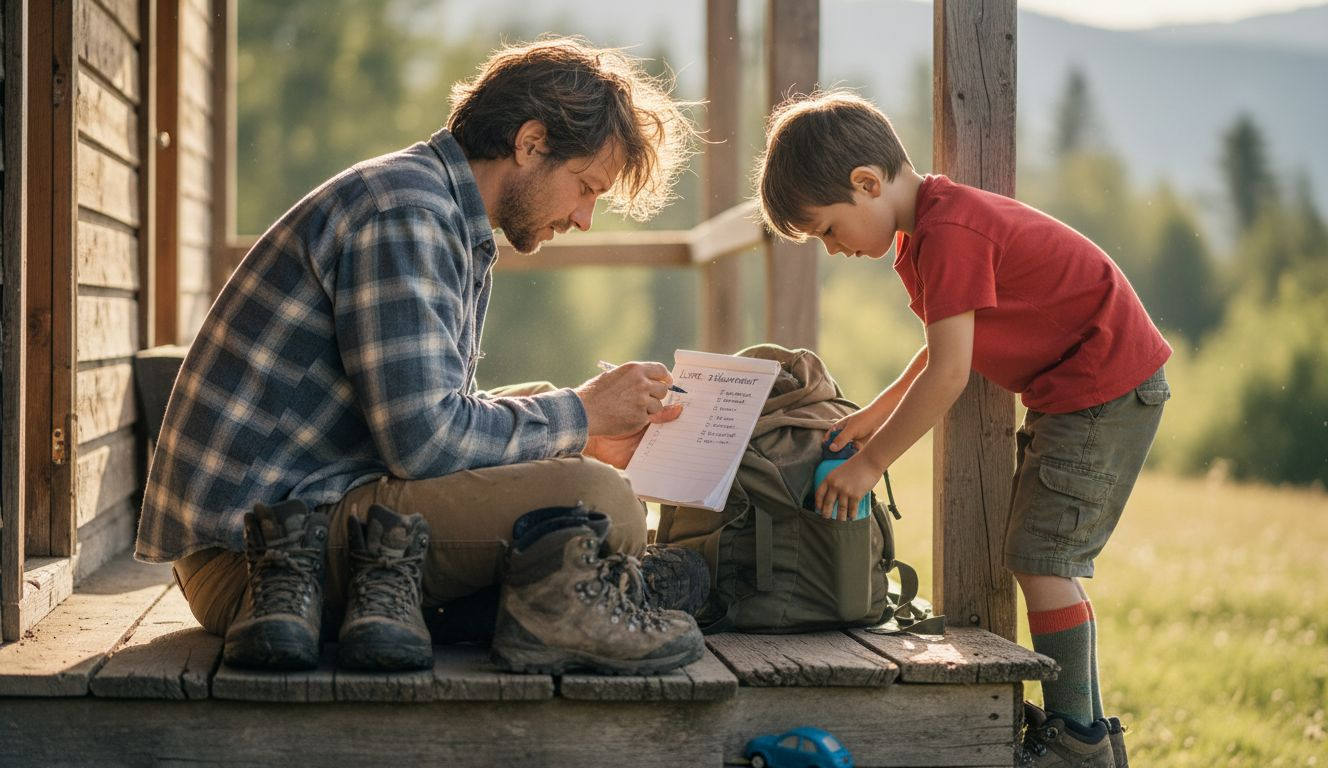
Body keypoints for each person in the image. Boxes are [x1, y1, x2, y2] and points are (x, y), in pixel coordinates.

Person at [136, 37, 708, 676]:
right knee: (605, 503)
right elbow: (424, 444)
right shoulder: (406, 211)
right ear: (529, 143)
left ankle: (527, 607)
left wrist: (579, 433)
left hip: (314, 517)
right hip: (261, 563)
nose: (584, 219)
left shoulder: (434, 206)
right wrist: (578, 416)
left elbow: (427, 422)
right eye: (585, 188)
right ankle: (562, 600)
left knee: (569, 443)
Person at [754, 90, 1170, 768]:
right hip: (1082, 390)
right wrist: (873, 416)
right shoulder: (926, 238)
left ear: (867, 183)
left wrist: (871, 463)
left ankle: (1076, 740)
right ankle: (1088, 739)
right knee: (1044, 560)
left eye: (828, 229)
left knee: (1043, 560)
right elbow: (945, 349)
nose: (831, 250)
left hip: (1105, 386)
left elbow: (950, 375)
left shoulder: (950, 234)